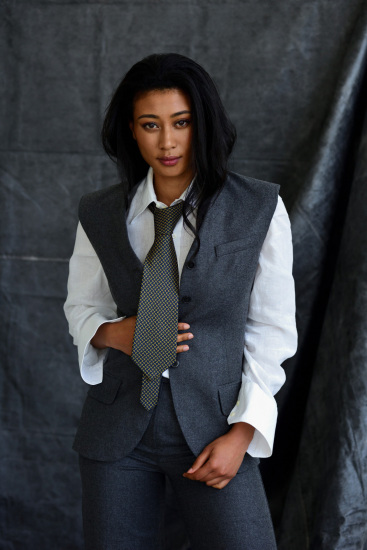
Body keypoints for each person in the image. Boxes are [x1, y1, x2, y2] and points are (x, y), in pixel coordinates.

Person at [64, 53, 297, 550]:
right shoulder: (101, 212)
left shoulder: (257, 208)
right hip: (116, 432)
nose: (166, 142)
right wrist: (114, 333)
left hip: (215, 429)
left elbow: (272, 331)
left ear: (202, 124)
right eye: (150, 125)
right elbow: (81, 307)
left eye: (181, 123)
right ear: (131, 129)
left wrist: (243, 434)